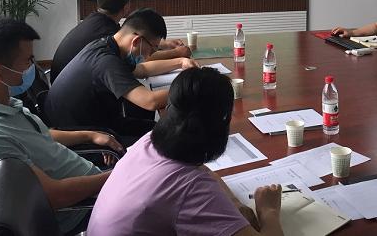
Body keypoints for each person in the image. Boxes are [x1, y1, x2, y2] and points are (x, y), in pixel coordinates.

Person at [0, 18, 122, 233]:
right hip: (82, 209)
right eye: (29, 60)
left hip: (93, 182)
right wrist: (116, 176)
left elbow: (38, 135)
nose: (34, 67)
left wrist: (89, 135)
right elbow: (53, 196)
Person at [87, 67, 284, 236]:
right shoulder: (192, 189)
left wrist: (235, 204)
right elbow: (195, 182)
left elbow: (201, 170)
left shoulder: (149, 142)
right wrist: (269, 211)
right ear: (223, 123)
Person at [45, 8, 199, 142]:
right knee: (169, 138)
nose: (150, 55)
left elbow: (142, 70)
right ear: (136, 41)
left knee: (164, 129)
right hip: (83, 135)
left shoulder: (108, 46)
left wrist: (180, 62)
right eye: (152, 49)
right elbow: (149, 101)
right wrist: (195, 88)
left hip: (98, 122)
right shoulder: (106, 61)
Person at [50, 0, 190, 82]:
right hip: (74, 92)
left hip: (59, 85)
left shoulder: (97, 21)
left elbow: (138, 48)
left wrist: (163, 44)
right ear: (126, 6)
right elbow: (141, 58)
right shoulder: (107, 34)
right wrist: (177, 54)